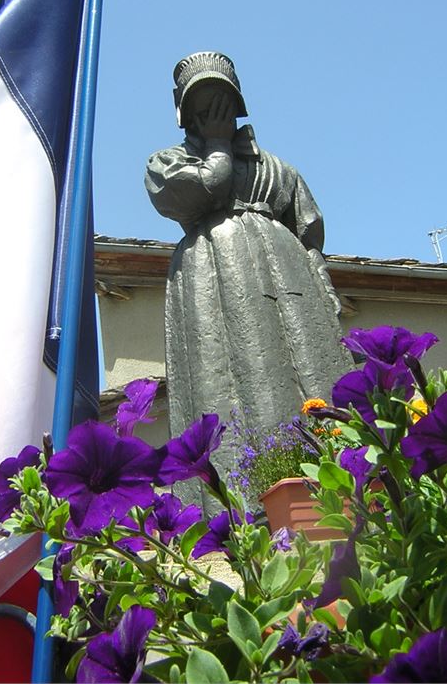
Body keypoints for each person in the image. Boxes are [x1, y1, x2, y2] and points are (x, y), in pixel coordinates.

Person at [145, 52, 352, 510]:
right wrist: (218, 147)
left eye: (220, 97)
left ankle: (340, 476)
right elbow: (203, 190)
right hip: (212, 271)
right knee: (233, 375)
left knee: (308, 364)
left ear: (237, 102)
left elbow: (309, 232)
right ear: (185, 113)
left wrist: (324, 288)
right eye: (202, 101)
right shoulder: (166, 163)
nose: (212, 108)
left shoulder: (277, 169)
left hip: (287, 271)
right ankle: (241, 502)